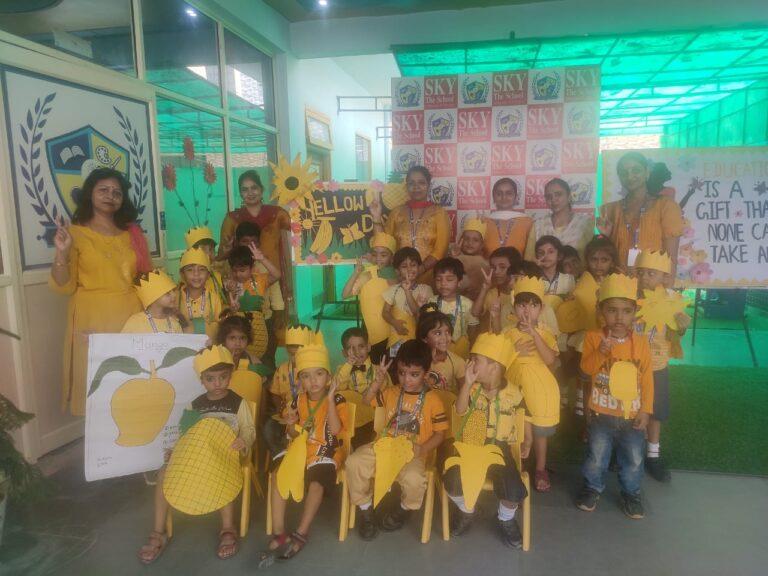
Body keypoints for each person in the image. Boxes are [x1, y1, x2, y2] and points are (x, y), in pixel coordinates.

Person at [137, 345, 255, 563]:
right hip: (196, 458)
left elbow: (248, 430)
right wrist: (175, 451)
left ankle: (228, 528)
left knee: (220, 472)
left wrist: (243, 442)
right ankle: (158, 531)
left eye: (222, 377)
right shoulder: (195, 405)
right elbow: (185, 434)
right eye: (210, 379)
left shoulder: (238, 403)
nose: (217, 383)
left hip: (225, 456)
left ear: (230, 375)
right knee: (164, 473)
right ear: (202, 380)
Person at [49, 167, 152, 415]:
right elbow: (64, 286)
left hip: (130, 317)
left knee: (130, 382)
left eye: (117, 192)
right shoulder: (75, 234)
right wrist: (62, 252)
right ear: (90, 194)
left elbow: (146, 278)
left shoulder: (133, 235)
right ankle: (101, 452)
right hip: (92, 319)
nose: (110, 196)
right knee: (97, 386)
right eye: (103, 190)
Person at [346, 340, 448, 541]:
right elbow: (366, 401)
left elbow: (440, 433)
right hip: (383, 446)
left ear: (426, 374)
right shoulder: (391, 392)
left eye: (414, 374)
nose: (406, 379)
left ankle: (404, 509)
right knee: (354, 462)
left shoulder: (433, 400)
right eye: (401, 373)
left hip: (413, 452)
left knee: (415, 479)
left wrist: (423, 449)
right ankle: (366, 510)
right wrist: (378, 380)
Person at [262, 340, 348, 563]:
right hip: (300, 449)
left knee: (316, 484)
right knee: (277, 475)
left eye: (319, 374)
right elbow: (291, 434)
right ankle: (280, 532)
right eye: (306, 376)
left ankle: (301, 531)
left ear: (328, 377)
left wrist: (329, 401)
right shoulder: (297, 400)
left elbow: (337, 430)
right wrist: (290, 423)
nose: (313, 381)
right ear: (300, 380)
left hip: (327, 451)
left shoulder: (338, 399)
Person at [443, 332, 531, 547]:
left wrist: (527, 441)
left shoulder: (514, 393)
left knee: (513, 488)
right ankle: (467, 509)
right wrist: (467, 383)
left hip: (499, 450)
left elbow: (524, 418)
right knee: (451, 481)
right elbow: (461, 410)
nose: (470, 363)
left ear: (494, 366)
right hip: (471, 447)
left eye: (477, 361)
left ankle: (505, 518)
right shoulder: (472, 389)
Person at [577, 273, 653, 519]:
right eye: (612, 310)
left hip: (632, 417)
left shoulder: (641, 343)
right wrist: (599, 353)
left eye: (626, 311)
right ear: (601, 311)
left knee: (633, 458)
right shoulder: (592, 338)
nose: (619, 318)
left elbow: (648, 380)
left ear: (634, 313)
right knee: (597, 456)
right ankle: (592, 488)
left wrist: (646, 410)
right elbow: (585, 372)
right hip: (601, 414)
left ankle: (631, 492)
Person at [634, 250, 690, 482]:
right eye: (641, 272)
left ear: (665, 278)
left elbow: (680, 329)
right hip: (631, 365)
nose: (645, 277)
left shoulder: (671, 301)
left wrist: (681, 323)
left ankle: (653, 454)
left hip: (657, 365)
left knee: (656, 411)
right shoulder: (629, 296)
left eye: (651, 273)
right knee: (629, 407)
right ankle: (626, 449)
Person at [503, 277, 560, 492]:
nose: (527, 311)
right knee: (514, 428)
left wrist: (534, 334)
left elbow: (550, 360)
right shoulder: (507, 333)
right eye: (522, 305)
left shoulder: (546, 333)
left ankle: (540, 468)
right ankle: (516, 467)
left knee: (540, 431)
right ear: (514, 307)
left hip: (540, 389)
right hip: (514, 387)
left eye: (533, 305)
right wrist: (516, 352)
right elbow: (499, 362)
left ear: (541, 308)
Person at [597, 152, 685, 276]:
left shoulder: (666, 206)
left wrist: (665, 290)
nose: (630, 176)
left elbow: (671, 258)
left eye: (636, 170)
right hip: (617, 286)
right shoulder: (610, 210)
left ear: (647, 172)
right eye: (624, 172)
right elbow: (606, 254)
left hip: (652, 286)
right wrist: (604, 236)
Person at [370, 165, 450, 280]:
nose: (416, 187)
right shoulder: (396, 213)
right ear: (406, 186)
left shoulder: (439, 213)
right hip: (400, 277)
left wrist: (420, 269)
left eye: (421, 183)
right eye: (411, 183)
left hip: (431, 278)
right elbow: (384, 243)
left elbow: (440, 250)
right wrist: (376, 216)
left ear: (428, 185)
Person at [232, 221, 285, 367]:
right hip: (239, 323)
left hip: (265, 318)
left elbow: (275, 287)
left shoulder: (262, 267)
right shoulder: (232, 268)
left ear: (259, 243)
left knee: (266, 357)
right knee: (242, 360)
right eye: (245, 242)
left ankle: (267, 385)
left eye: (253, 242)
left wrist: (279, 312)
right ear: (237, 242)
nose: (249, 245)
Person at [342, 232, 398, 363]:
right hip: (370, 332)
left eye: (383, 255)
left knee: (390, 365)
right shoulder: (367, 275)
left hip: (393, 332)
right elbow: (345, 294)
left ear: (392, 257)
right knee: (372, 366)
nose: (378, 258)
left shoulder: (397, 276)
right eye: (374, 254)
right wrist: (356, 273)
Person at [334, 327, 391, 448]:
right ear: (344, 353)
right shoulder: (342, 370)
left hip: (374, 420)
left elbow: (386, 395)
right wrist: (349, 364)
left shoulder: (379, 370)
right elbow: (337, 388)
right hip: (350, 421)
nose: (357, 351)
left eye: (361, 346)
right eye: (351, 348)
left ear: (368, 347)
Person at [263, 325, 314, 457]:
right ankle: (281, 456)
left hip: (310, 414)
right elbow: (275, 393)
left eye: (301, 354)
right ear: (287, 350)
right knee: (269, 429)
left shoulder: (316, 370)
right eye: (292, 354)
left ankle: (302, 456)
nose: (296, 357)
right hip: (287, 413)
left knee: (306, 435)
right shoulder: (282, 369)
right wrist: (280, 408)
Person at [225, 245, 280, 361]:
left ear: (252, 268)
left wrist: (262, 259)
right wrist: (231, 294)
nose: (238, 274)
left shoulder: (259, 281)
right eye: (235, 271)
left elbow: (277, 275)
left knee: (256, 360)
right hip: (238, 332)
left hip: (258, 330)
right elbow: (228, 309)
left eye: (242, 270)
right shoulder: (230, 284)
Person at [525, 178, 594, 260]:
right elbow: (529, 259)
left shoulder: (585, 223)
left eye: (558, 194)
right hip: (541, 272)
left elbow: (593, 256)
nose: (553, 199)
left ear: (569, 196)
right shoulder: (538, 225)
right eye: (549, 196)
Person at [382, 247, 434, 356]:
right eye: (404, 266)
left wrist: (407, 291)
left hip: (418, 339)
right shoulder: (393, 290)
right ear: (397, 271)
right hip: (397, 339)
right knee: (396, 366)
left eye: (413, 265)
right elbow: (385, 312)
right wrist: (395, 323)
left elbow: (418, 313)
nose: (409, 269)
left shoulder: (426, 289)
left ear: (419, 267)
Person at [428, 257, 479, 359]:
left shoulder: (468, 304)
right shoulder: (431, 302)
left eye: (449, 279)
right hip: (436, 351)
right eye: (439, 279)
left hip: (460, 351)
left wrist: (472, 352)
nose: (443, 283)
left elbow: (472, 331)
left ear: (459, 282)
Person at [471, 247, 523, 333]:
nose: (496, 271)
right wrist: (484, 289)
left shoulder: (523, 294)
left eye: (502, 267)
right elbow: (475, 313)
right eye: (493, 268)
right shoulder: (492, 293)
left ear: (515, 269)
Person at [418, 306, 466, 396]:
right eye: (438, 333)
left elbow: (465, 392)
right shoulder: (416, 360)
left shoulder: (458, 362)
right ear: (424, 338)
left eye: (447, 332)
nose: (444, 338)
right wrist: (428, 362)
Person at [177, 247, 223, 338]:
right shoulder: (175, 298)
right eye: (190, 270)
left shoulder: (214, 298)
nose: (196, 274)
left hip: (209, 349)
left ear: (208, 274)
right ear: (182, 274)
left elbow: (221, 326)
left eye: (201, 269)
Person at [481, 178, 533, 257]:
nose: (504, 197)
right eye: (499, 194)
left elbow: (530, 256)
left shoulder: (527, 222)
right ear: (493, 197)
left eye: (509, 193)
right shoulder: (483, 221)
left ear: (516, 197)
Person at [450, 218, 490, 302]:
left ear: (482, 244)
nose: (470, 243)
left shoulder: (484, 264)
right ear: (461, 240)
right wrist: (453, 258)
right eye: (466, 239)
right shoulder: (454, 257)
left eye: (475, 240)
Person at [185, 226, 226, 300]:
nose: (208, 254)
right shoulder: (187, 279)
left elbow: (222, 303)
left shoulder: (217, 276)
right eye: (203, 249)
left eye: (211, 249)